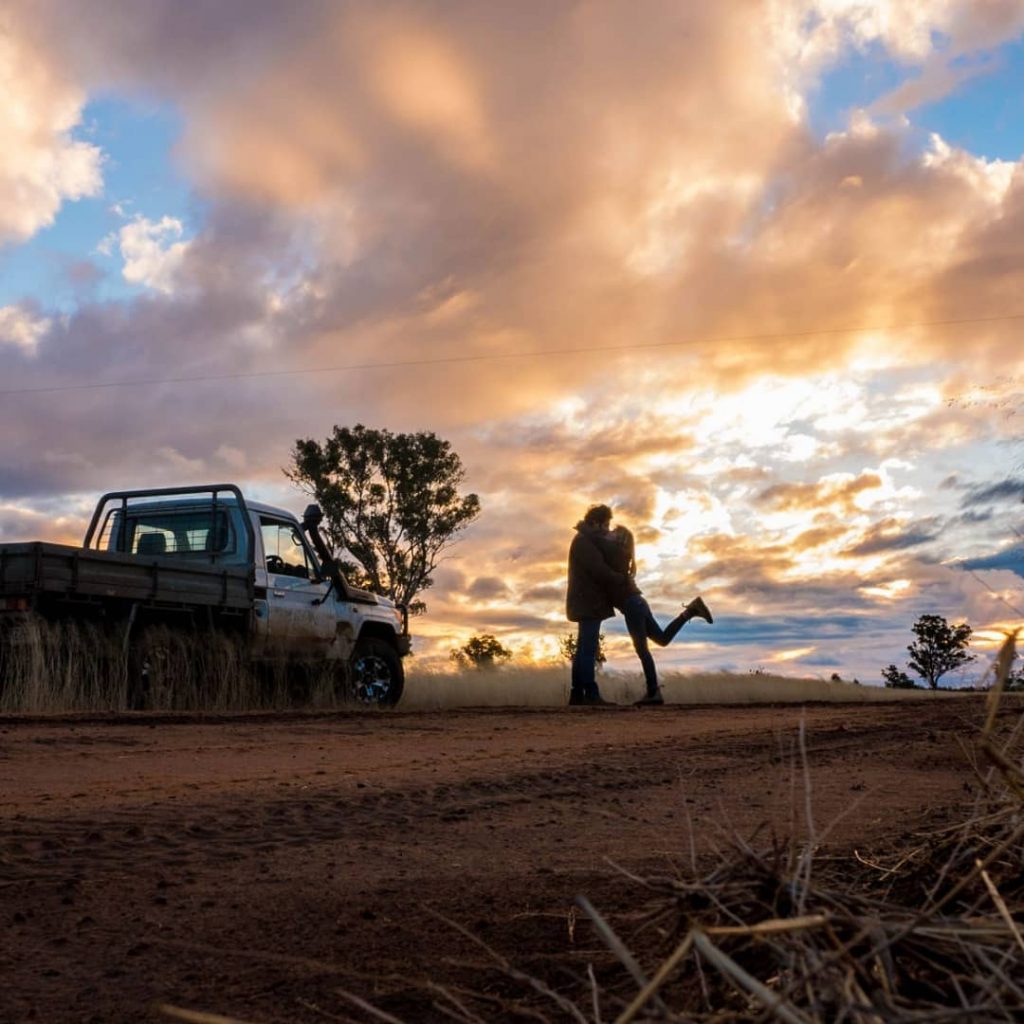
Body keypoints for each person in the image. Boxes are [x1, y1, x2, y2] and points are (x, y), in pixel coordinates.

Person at [596, 525, 713, 706]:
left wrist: (590, 532)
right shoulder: (621, 555)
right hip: (638, 603)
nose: (609, 533)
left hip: (632, 605)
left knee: (642, 650)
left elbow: (602, 552)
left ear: (620, 540)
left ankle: (653, 692)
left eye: (613, 532)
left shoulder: (617, 555)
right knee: (662, 640)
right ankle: (691, 610)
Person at [565, 504, 626, 706]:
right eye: (606, 525)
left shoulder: (584, 540)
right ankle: (590, 692)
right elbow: (599, 570)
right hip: (588, 601)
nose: (608, 529)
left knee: (584, 647)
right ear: (595, 523)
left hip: (585, 600)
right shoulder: (584, 542)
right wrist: (621, 579)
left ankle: (577, 694)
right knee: (588, 648)